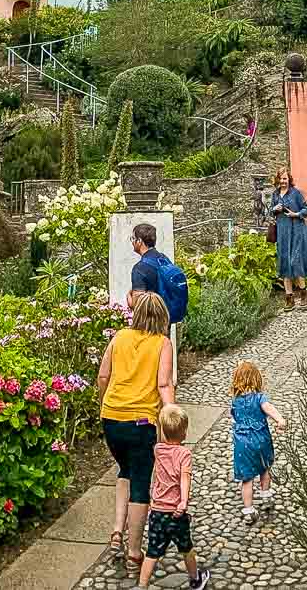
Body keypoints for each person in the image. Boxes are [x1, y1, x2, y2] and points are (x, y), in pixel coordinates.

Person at [99, 292, 175, 575]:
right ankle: (134, 553)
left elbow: (103, 376)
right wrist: (172, 421)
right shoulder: (162, 343)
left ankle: (117, 532)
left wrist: (103, 404)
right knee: (141, 484)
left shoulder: (119, 337)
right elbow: (164, 384)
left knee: (124, 470)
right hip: (142, 422)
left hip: (112, 419)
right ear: (162, 317)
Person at [137, 404, 211, 589]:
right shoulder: (184, 454)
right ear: (184, 432)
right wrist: (183, 501)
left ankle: (142, 585)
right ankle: (195, 579)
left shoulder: (158, 450)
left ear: (162, 431)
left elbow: (157, 432)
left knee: (152, 552)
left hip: (157, 512)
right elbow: (185, 478)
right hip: (176, 513)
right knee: (186, 548)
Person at [230, 362, 287, 524]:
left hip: (242, 443)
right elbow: (269, 408)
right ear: (257, 380)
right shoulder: (260, 397)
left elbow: (234, 419)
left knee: (247, 478)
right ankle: (266, 496)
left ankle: (248, 511)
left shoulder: (235, 401)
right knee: (264, 468)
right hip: (261, 439)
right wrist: (280, 420)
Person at [270, 167, 307, 309]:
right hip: (282, 233)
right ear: (277, 180)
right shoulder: (275, 195)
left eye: (285, 178)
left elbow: (306, 210)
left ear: (289, 179)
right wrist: (275, 209)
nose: (283, 181)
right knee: (285, 263)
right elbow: (270, 212)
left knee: (295, 261)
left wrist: (296, 214)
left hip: (296, 231)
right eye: (280, 178)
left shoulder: (295, 193)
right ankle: (289, 298)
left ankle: (304, 293)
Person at [129, 223, 166, 303]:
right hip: (170, 313)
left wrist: (129, 298)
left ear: (139, 241)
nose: (132, 242)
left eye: (132, 238)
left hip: (154, 315)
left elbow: (137, 304)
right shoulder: (164, 259)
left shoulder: (140, 268)